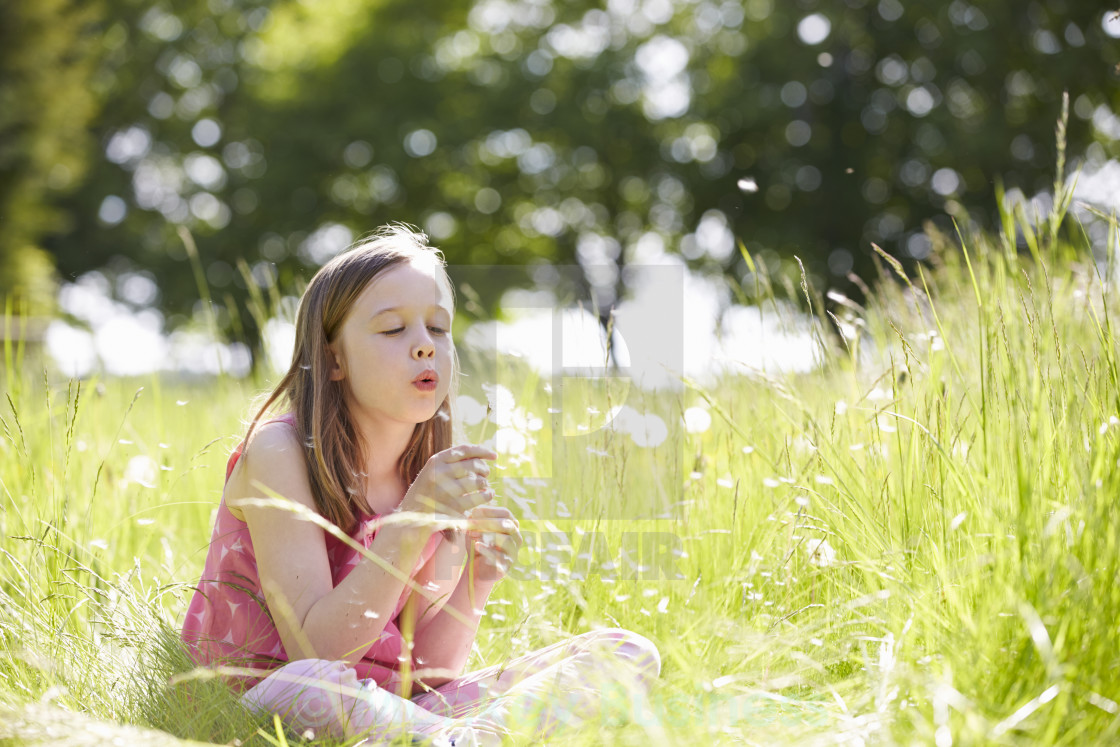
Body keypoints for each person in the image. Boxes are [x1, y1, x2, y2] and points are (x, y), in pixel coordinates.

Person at [181, 225, 660, 745]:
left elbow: (425, 675)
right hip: (270, 700)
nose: (424, 347)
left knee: (628, 651)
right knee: (311, 687)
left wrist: (477, 581)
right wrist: (410, 523)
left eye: (438, 328)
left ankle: (462, 740)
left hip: (396, 713)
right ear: (333, 358)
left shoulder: (431, 473)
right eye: (393, 330)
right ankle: (470, 740)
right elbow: (314, 651)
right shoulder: (281, 453)